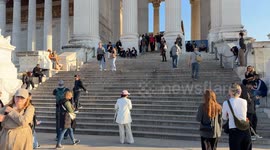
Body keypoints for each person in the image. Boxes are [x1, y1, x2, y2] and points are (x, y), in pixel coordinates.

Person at [222, 83, 252, 150]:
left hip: (234, 130)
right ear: (239, 92)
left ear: (231, 91)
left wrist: (229, 115)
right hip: (245, 129)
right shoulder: (244, 101)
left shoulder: (226, 103)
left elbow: (224, 117)